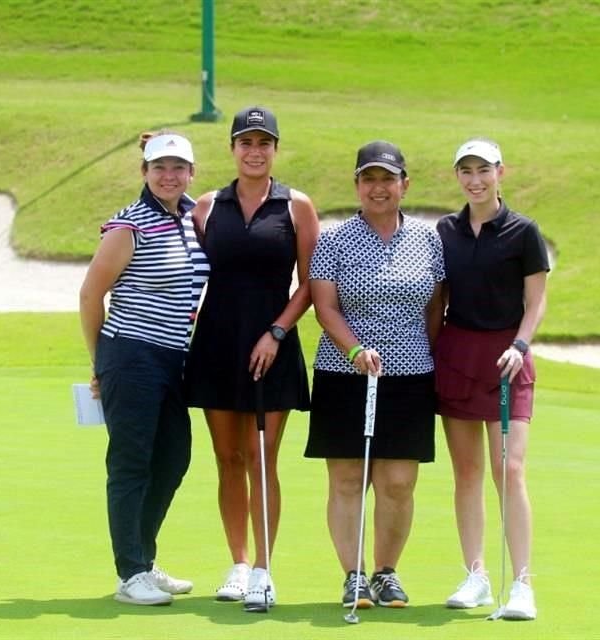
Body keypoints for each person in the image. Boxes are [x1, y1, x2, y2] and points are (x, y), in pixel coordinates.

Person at [183, 106, 320, 608]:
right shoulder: (205, 207)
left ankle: (264, 569)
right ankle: (238, 564)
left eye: (264, 143)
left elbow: (310, 285)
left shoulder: (295, 207)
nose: (255, 151)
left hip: (272, 344)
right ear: (233, 148)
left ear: (275, 149)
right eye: (246, 142)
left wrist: (277, 332)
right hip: (217, 342)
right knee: (227, 458)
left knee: (262, 460)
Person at [305, 141, 445, 609]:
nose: (378, 188)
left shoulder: (428, 240)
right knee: (347, 479)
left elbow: (435, 308)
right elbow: (325, 308)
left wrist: (419, 355)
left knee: (399, 482)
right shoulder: (335, 239)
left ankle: (386, 573)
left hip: (409, 378)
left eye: (388, 179)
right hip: (344, 375)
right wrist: (356, 350)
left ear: (405, 184)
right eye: (369, 179)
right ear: (357, 185)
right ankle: (354, 575)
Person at [79, 131, 210, 606]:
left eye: (178, 167)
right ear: (144, 173)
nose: (169, 175)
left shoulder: (193, 217)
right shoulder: (127, 227)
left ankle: (145, 558)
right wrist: (101, 364)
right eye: (159, 167)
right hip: (130, 354)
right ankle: (130, 572)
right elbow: (92, 295)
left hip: (173, 357)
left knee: (173, 458)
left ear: (191, 173)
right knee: (132, 462)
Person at [435, 138, 549, 620]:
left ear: (501, 172)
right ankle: (476, 575)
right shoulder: (445, 230)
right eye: (466, 171)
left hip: (507, 356)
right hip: (457, 352)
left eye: (483, 170)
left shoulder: (523, 232)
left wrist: (520, 346)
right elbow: (435, 299)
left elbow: (537, 301)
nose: (475, 179)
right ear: (458, 175)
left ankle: (522, 583)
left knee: (511, 469)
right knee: (467, 473)